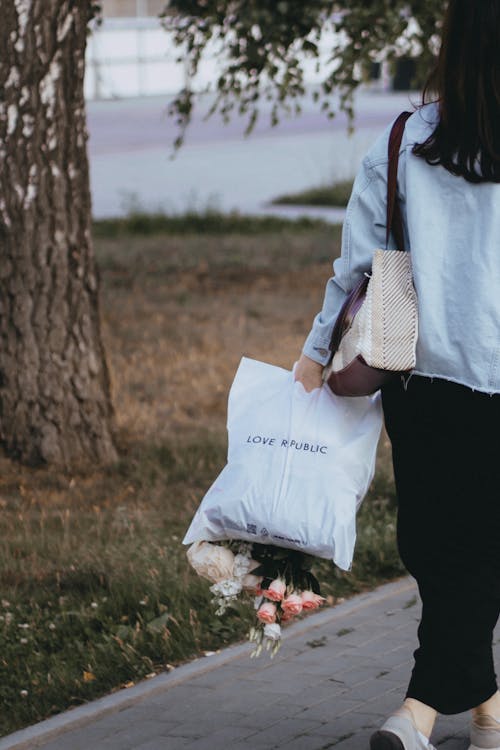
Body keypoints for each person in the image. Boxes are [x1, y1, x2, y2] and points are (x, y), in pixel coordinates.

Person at [294, 2, 500, 749]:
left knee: (447, 549)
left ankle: (421, 715)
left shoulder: (405, 141)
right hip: (453, 377)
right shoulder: (403, 141)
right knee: (464, 555)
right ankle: (477, 713)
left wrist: (317, 352)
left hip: (426, 381)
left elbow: (357, 265)